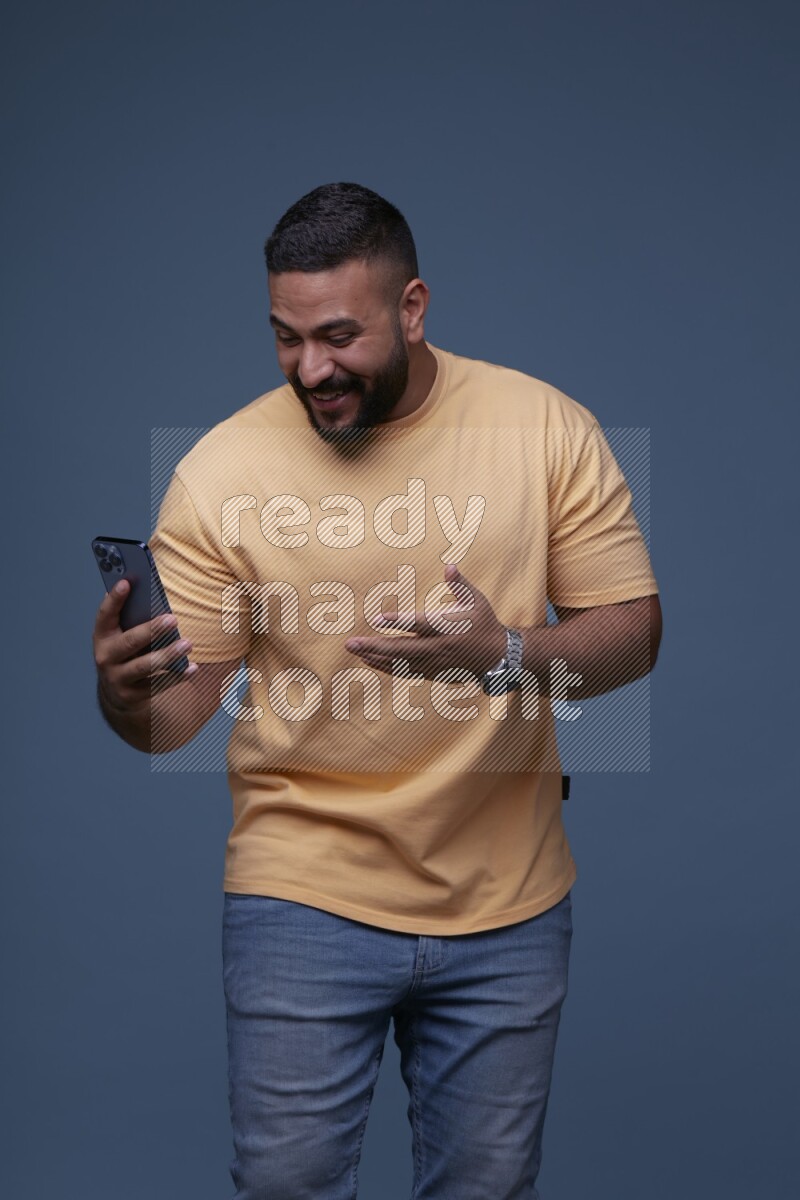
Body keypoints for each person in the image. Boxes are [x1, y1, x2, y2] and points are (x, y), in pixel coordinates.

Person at [93, 181, 661, 1199]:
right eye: (284, 337)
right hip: (299, 891)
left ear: (412, 309)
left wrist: (503, 655)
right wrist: (126, 689)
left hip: (507, 899)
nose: (311, 368)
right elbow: (172, 719)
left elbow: (633, 641)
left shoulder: (542, 428)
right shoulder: (222, 470)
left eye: (338, 335)